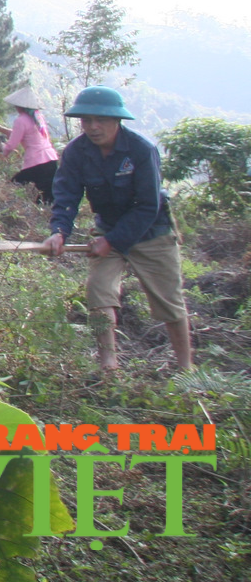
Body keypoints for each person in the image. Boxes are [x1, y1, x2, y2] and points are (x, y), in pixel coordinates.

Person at [42, 85, 192, 372]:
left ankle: (186, 369)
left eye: (101, 120)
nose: (93, 127)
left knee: (169, 303)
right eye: (86, 121)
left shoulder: (140, 150)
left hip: (152, 232)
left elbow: (148, 205)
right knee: (99, 294)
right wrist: (59, 231)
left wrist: (113, 240)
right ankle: (108, 366)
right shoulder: (76, 152)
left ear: (117, 121)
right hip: (107, 227)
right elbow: (66, 196)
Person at [0, 87, 59, 203]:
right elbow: (21, 134)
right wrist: (0, 129)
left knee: (12, 186)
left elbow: (12, 144)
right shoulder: (38, 118)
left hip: (36, 163)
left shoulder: (21, 120)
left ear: (18, 106)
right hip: (51, 160)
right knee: (47, 195)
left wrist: (3, 149)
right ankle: (44, 217)